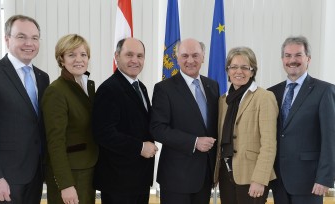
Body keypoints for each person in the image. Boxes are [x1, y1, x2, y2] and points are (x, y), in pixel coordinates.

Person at [0, 15, 49, 203]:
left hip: (35, 174)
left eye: (34, 38)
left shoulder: (42, 77)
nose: (29, 43)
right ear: (7, 39)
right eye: (21, 37)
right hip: (5, 177)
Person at [150, 38, 219, 204]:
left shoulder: (212, 86)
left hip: (205, 177)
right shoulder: (164, 89)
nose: (190, 60)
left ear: (203, 57)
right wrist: (194, 142)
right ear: (177, 58)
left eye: (195, 55)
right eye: (185, 55)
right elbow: (157, 128)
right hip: (176, 179)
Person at [268, 36, 335, 204]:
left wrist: (325, 177)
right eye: (288, 55)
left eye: (298, 55)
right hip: (278, 180)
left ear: (308, 59)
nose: (292, 60)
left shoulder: (324, 91)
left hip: (310, 181)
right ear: (282, 59)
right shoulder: (272, 93)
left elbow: (330, 138)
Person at [92, 37, 158, 204]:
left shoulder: (140, 87)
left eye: (140, 56)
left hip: (139, 179)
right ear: (117, 56)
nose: (135, 60)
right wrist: (140, 147)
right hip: (118, 182)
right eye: (129, 55)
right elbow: (104, 134)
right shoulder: (109, 89)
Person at [213, 47, 278, 204]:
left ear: (252, 71)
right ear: (228, 71)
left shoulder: (264, 97)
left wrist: (260, 179)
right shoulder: (223, 101)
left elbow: (269, 144)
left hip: (252, 176)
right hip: (226, 174)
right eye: (234, 67)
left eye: (245, 67)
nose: (238, 71)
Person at [41, 34, 99, 204]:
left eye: (83, 54)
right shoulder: (56, 91)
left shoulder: (88, 85)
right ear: (61, 59)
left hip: (88, 168)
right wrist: (66, 184)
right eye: (71, 55)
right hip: (71, 173)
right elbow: (55, 142)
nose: (78, 59)